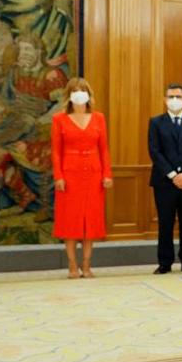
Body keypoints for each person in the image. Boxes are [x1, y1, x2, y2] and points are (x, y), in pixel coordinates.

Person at [51, 78, 113, 277]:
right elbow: (56, 152)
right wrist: (58, 176)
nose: (79, 93)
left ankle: (86, 265)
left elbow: (104, 149)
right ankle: (72, 265)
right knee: (70, 222)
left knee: (91, 222)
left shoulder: (99, 118)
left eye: (82, 90)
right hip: (69, 176)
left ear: (89, 94)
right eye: (75, 90)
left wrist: (107, 174)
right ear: (69, 95)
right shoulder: (59, 119)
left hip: (94, 175)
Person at [147, 84, 182, 274]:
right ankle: (165, 262)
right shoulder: (156, 123)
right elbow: (155, 151)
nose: (175, 100)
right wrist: (173, 175)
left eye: (178, 96)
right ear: (165, 99)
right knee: (165, 223)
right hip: (164, 182)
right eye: (171, 96)